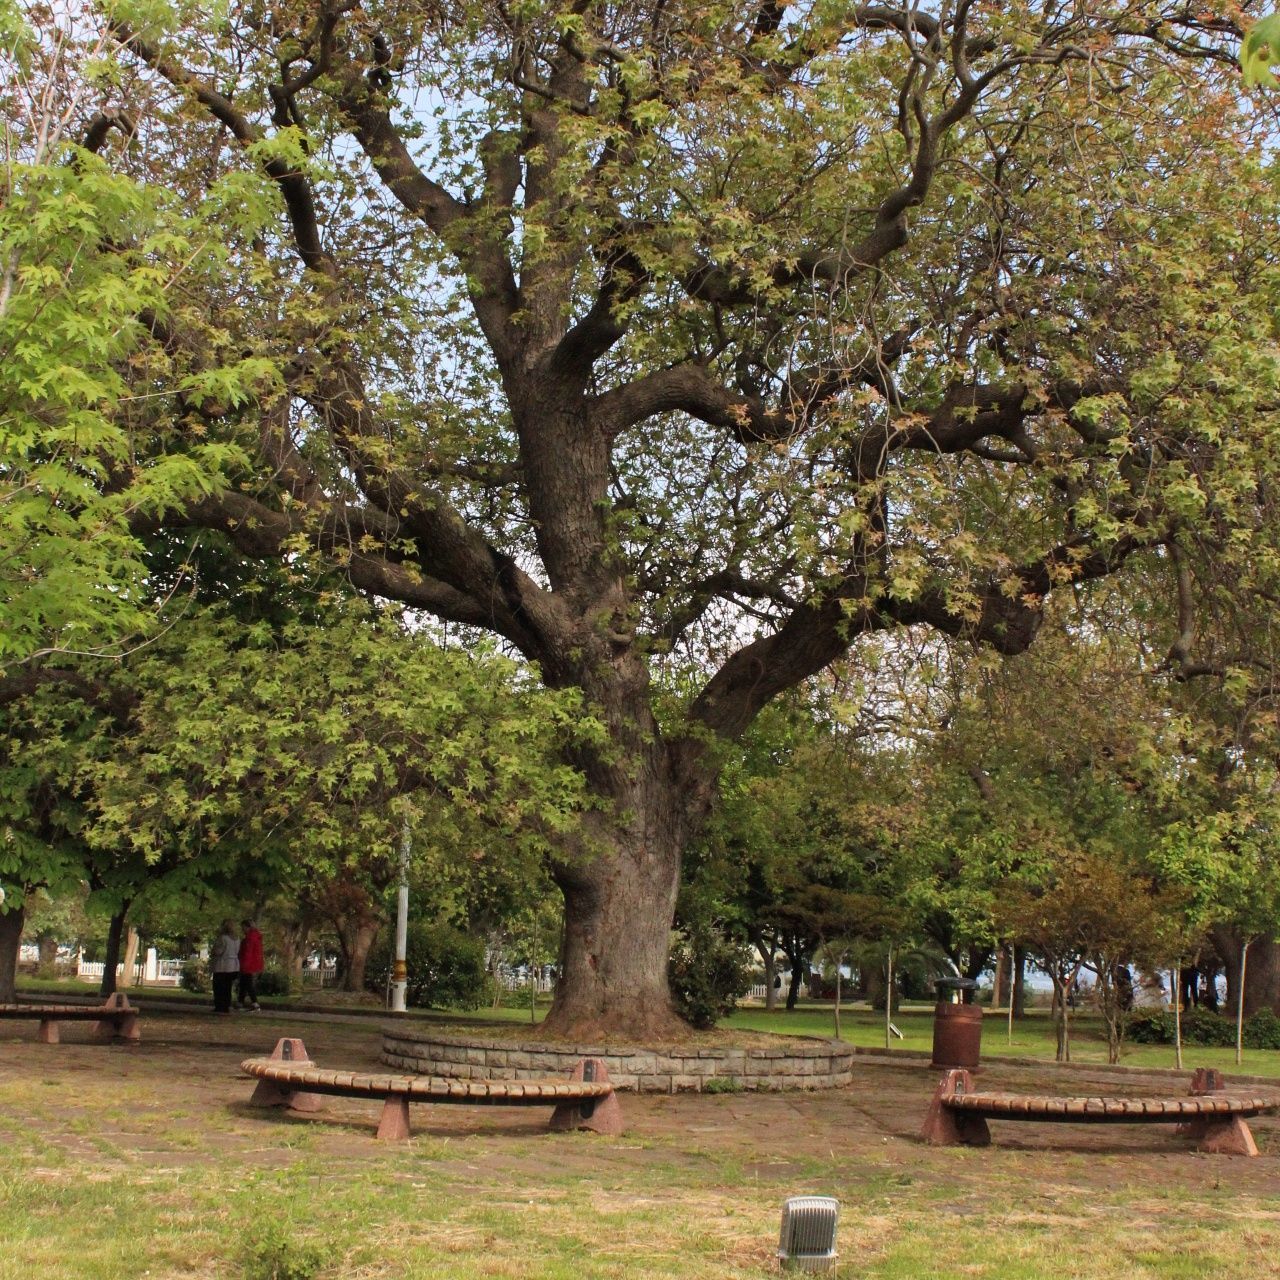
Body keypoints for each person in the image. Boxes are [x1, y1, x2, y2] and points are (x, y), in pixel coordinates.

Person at [210, 920, 239, 1014]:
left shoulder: (223, 938)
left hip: (222, 965)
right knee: (227, 987)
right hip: (233, 966)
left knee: (219, 987)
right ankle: (226, 1005)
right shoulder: (237, 939)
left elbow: (218, 951)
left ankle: (219, 1005)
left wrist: (213, 951)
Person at [238, 918, 264, 1011]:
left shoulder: (249, 938)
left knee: (247, 984)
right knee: (244, 983)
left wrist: (243, 964)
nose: (242, 929)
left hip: (248, 964)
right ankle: (240, 1002)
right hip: (253, 963)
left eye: (243, 927)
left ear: (247, 927)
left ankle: (255, 1003)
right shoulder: (256, 937)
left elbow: (247, 953)